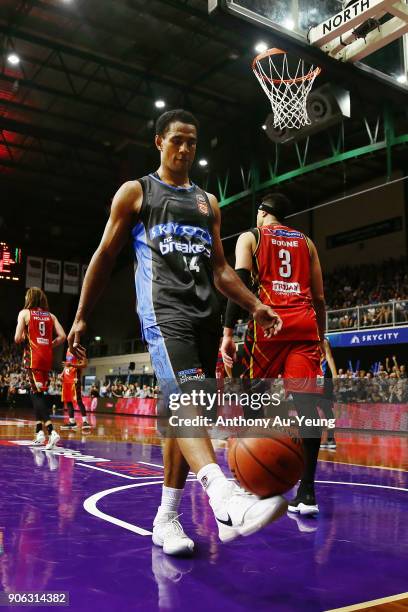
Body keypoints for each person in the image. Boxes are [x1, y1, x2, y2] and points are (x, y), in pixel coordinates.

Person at [68, 108, 286, 556]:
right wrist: (82, 315)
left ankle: (167, 518)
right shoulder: (137, 193)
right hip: (164, 313)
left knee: (188, 418)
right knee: (186, 402)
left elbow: (222, 270)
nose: (185, 149)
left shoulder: (209, 203)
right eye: (177, 141)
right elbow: (104, 256)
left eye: (192, 142)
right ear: (160, 143)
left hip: (205, 316)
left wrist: (255, 304)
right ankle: (223, 499)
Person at [221, 193, 326, 516]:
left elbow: (238, 283)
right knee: (308, 407)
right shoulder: (307, 243)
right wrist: (320, 337)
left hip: (269, 326)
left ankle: (256, 487)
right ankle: (307, 493)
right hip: (304, 328)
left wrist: (227, 333)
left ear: (262, 213)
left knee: (255, 401)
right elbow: (320, 297)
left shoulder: (250, 237)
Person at [14, 287, 66, 449]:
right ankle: (39, 432)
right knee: (37, 392)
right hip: (46, 358)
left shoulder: (24, 313)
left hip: (33, 357)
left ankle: (51, 431)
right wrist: (50, 344)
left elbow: (17, 338)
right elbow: (63, 336)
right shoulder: (51, 316)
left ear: (29, 298)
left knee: (36, 395)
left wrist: (24, 336)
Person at [60, 348, 91, 431]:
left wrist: (72, 365)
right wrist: (62, 374)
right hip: (66, 380)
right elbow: (67, 364)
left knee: (78, 400)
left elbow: (84, 365)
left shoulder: (80, 350)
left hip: (74, 379)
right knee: (68, 401)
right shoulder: (67, 350)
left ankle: (85, 421)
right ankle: (72, 422)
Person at [319, 337, 337, 450]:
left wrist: (335, 375)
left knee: (327, 409)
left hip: (324, 379)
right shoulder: (307, 341)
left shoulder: (323, 341)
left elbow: (329, 357)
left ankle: (331, 438)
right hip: (312, 379)